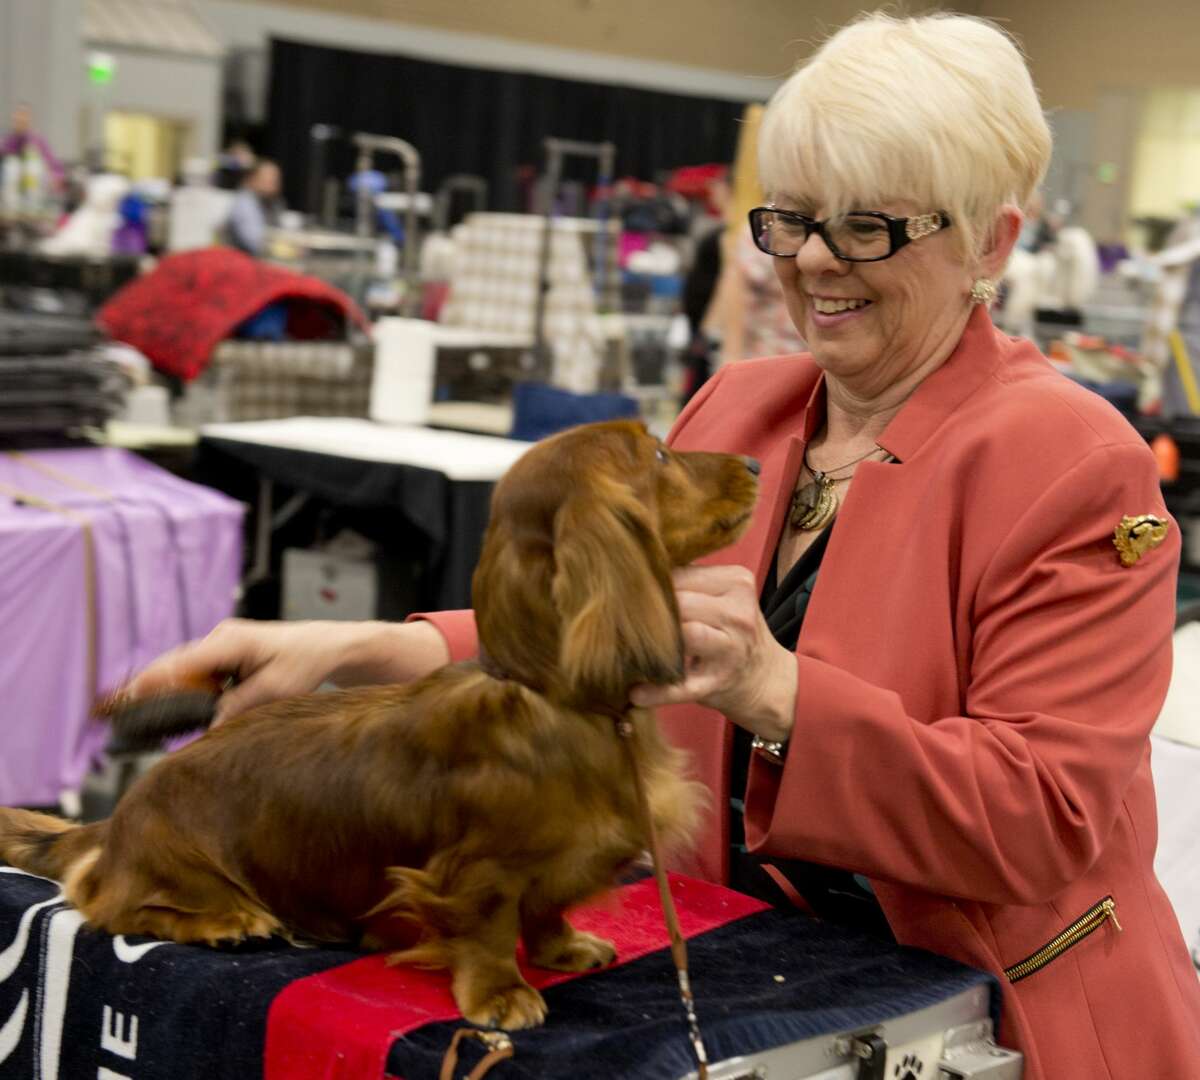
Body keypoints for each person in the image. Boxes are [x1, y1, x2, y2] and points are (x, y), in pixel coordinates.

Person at [129, 13, 1200, 1077]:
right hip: (749, 983)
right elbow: (611, 638)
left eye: (869, 227)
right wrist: (370, 652)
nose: (815, 262)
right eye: (790, 220)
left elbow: (1039, 820)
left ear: (993, 243)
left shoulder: (1075, 464)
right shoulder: (739, 407)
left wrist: (778, 691)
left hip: (987, 1015)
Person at [225, 158, 283, 256]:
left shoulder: (272, 203)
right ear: (252, 179)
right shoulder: (245, 203)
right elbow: (255, 243)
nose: (273, 185)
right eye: (267, 180)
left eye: (275, 180)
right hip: (241, 262)